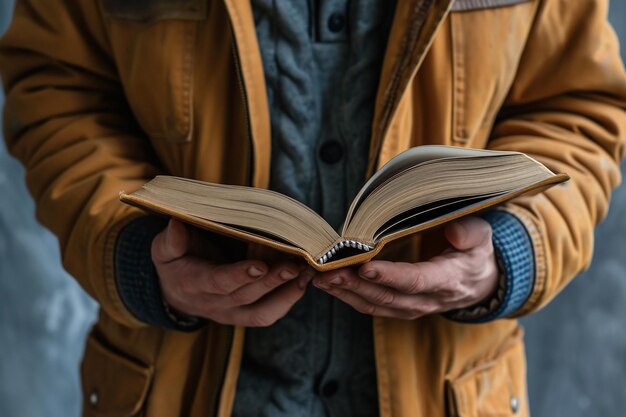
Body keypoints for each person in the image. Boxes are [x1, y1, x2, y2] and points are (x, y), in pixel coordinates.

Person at [1, 0, 625, 416]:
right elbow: (57, 87)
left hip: (443, 391)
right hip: (173, 391)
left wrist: (508, 252)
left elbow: (579, 108)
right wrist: (136, 256)